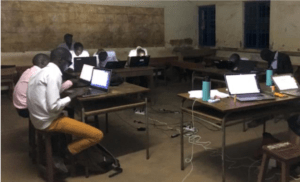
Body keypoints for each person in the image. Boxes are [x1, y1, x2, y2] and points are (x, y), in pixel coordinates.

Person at [27, 48, 103, 171]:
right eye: (68, 62)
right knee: (97, 135)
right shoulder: (54, 74)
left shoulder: (41, 72)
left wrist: (67, 92)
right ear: (60, 60)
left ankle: (63, 150)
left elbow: (47, 93)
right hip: (48, 122)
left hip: (36, 118)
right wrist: (73, 95)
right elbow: (54, 106)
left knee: (68, 115)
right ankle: (66, 152)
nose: (69, 66)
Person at [13, 54, 73, 118]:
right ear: (44, 62)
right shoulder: (39, 73)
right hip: (26, 109)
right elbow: (53, 91)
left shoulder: (29, 71)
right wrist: (70, 82)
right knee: (68, 106)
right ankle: (61, 125)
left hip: (19, 106)